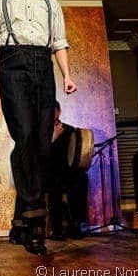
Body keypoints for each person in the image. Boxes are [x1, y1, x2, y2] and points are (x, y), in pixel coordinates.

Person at [0, 0, 77, 255]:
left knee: (41, 143)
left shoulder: (51, 4)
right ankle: (36, 222)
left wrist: (66, 75)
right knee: (23, 137)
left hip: (42, 65)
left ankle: (21, 220)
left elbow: (59, 43)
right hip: (12, 66)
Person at [47, 101, 88, 240]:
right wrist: (52, 138)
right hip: (48, 171)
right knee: (54, 183)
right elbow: (38, 155)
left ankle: (75, 224)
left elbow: (76, 155)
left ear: (59, 112)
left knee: (81, 178)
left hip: (67, 171)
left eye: (54, 111)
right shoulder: (41, 131)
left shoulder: (70, 131)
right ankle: (56, 227)